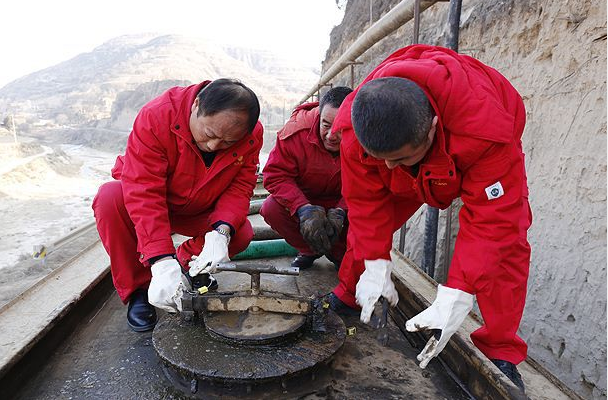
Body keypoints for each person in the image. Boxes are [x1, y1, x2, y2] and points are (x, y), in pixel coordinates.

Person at [329, 45, 531, 391]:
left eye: (399, 158)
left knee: (507, 247)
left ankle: (501, 349)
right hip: (415, 155)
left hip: (464, 153)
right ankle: (350, 293)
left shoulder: (485, 130)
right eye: (382, 159)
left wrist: (458, 291)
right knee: (368, 235)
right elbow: (365, 207)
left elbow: (494, 221)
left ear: (432, 129)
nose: (390, 167)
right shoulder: (354, 133)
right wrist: (376, 267)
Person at [92, 79, 263, 332]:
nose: (215, 146)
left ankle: (188, 268)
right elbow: (144, 192)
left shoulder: (251, 136)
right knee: (109, 199)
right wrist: (161, 260)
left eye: (228, 143)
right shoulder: (157, 116)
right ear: (196, 106)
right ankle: (139, 289)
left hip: (201, 206)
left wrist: (221, 232)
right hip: (156, 200)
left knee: (242, 232)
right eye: (209, 134)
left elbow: (239, 188)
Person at [260, 86, 353, 272]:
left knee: (369, 212)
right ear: (319, 115)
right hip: (305, 201)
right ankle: (308, 250)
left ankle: (338, 252)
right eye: (326, 125)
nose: (331, 136)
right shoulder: (295, 132)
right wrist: (302, 208)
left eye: (340, 129)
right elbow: (275, 175)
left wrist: (342, 210)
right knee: (270, 208)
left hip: (347, 201)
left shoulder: (363, 136)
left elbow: (369, 184)